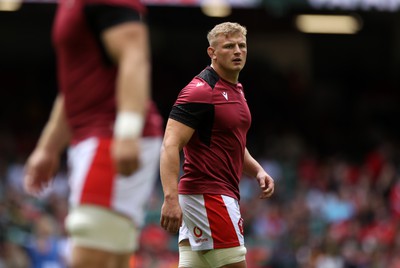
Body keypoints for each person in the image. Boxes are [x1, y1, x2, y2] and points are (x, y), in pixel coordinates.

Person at [22, 0, 163, 267]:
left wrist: (127, 130)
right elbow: (79, 85)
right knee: (110, 258)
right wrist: (48, 147)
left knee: (89, 251)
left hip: (109, 134)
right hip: (94, 134)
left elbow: (134, 54)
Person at [159, 22, 275, 268]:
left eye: (242, 46)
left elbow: (232, 141)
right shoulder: (200, 91)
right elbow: (170, 144)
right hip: (209, 196)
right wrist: (170, 198)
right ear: (211, 52)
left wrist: (257, 170)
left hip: (212, 196)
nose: (237, 51)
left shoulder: (236, 89)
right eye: (229, 46)